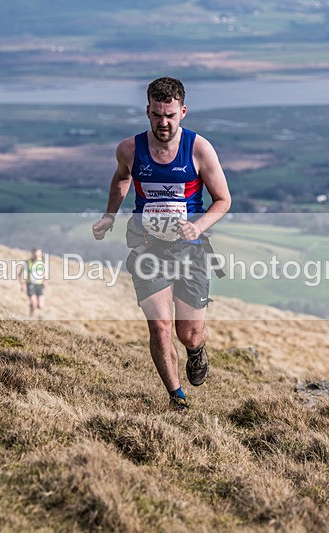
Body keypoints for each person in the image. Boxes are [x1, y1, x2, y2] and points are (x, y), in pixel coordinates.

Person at [92, 76, 231, 410]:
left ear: (183, 112)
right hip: (148, 248)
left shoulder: (199, 149)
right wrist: (109, 216)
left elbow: (223, 200)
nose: (163, 122)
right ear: (148, 112)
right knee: (159, 327)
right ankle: (176, 397)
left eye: (170, 115)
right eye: (157, 115)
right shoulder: (129, 149)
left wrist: (198, 227)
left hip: (190, 251)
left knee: (188, 333)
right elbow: (122, 178)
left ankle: (196, 350)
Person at [17, 247, 46, 317]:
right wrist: (22, 284)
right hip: (30, 284)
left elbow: (44, 273)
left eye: (38, 255)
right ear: (32, 254)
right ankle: (31, 316)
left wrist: (45, 281)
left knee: (40, 306)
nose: (37, 257)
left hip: (39, 285)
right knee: (34, 303)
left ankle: (32, 307)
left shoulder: (42, 262)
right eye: (36, 255)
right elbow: (20, 274)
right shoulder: (27, 263)